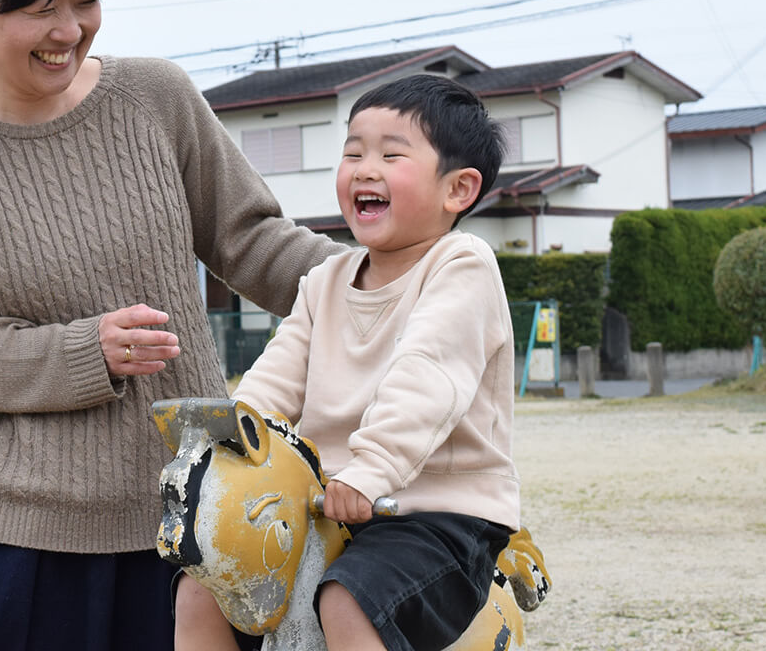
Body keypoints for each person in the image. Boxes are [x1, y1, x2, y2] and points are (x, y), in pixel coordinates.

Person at [0, 0, 341, 650]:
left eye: (85, 0)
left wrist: (391, 281)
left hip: (197, 515)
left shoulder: (155, 98)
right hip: (16, 539)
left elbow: (254, 241)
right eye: (38, 7)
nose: (69, 29)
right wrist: (85, 352)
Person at [176, 74, 518, 651]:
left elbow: (427, 376)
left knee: (346, 596)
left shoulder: (462, 266)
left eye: (391, 154)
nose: (364, 168)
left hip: (433, 513)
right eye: (352, 152)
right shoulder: (326, 281)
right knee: (203, 584)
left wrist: (371, 467)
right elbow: (276, 378)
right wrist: (235, 438)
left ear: (458, 189)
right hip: (327, 501)